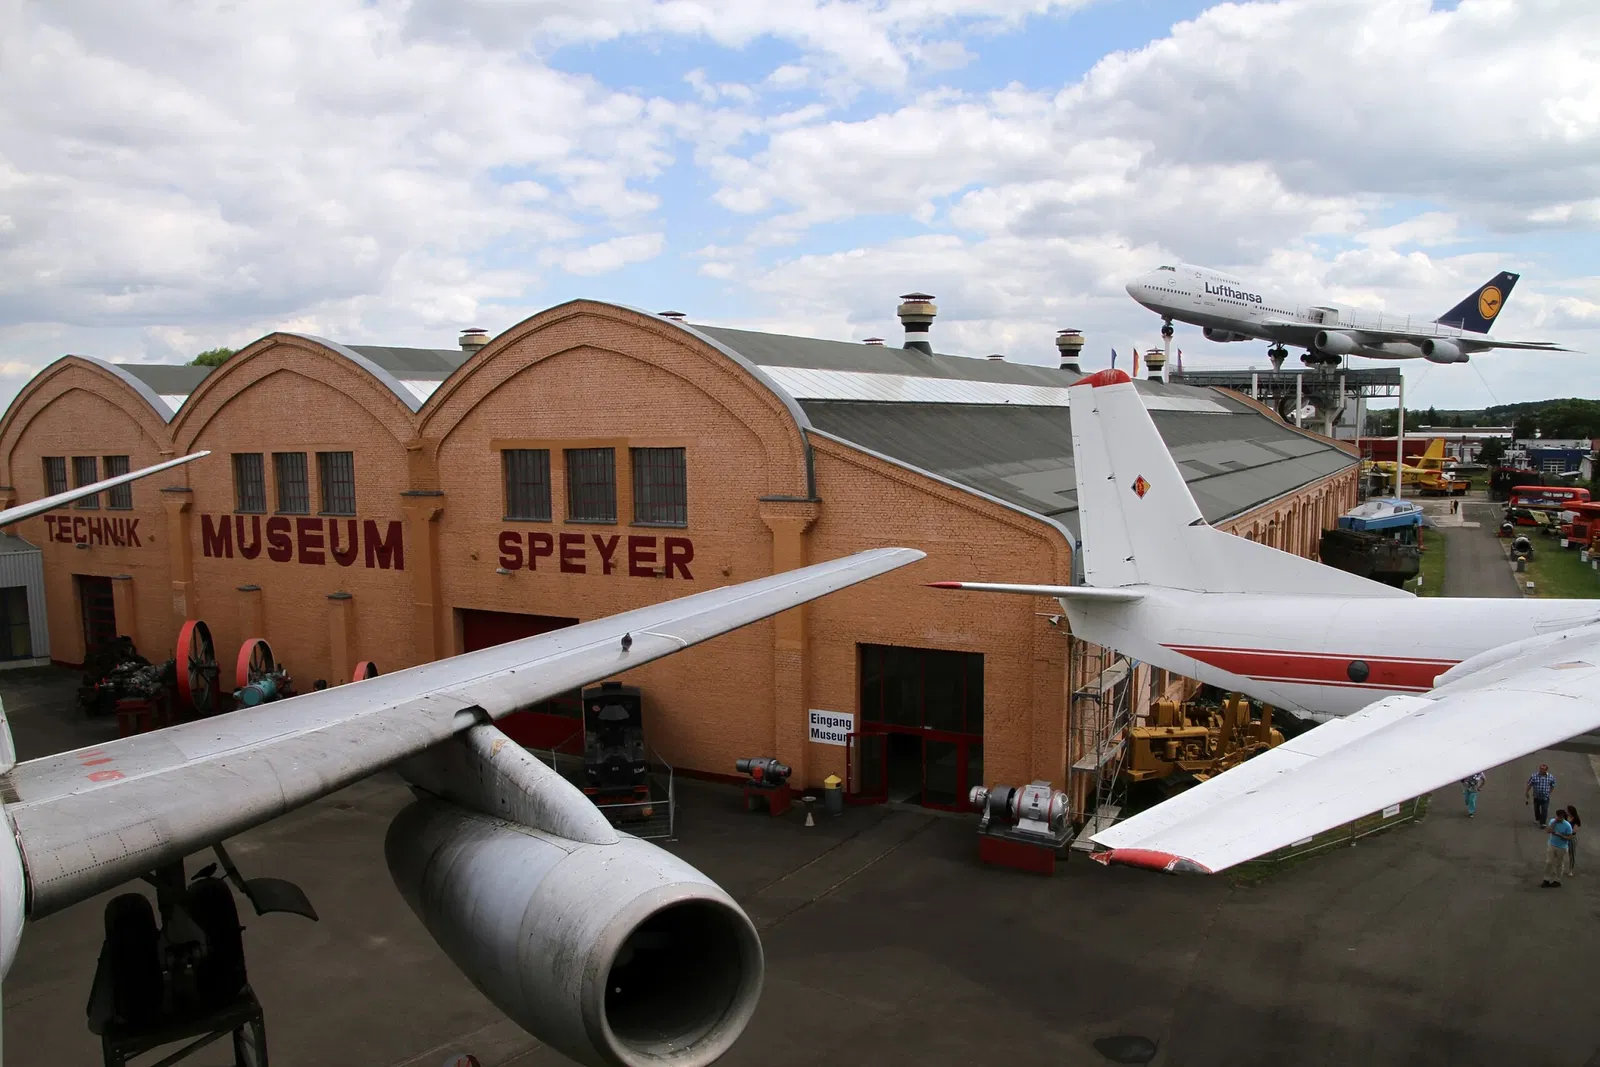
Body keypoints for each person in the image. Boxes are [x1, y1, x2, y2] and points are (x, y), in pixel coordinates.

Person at [1543, 808, 1573, 888]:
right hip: (1552, 844)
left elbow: (1570, 837)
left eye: (1560, 817)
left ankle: (1557, 880)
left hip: (1562, 847)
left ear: (1563, 816)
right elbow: (1547, 831)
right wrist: (1554, 822)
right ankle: (1546, 879)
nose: (1559, 818)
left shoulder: (1567, 825)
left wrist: (1560, 835)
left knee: (1559, 864)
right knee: (1549, 862)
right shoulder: (1553, 821)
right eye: (1558, 816)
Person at [1567, 805, 1582, 875]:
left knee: (1572, 854)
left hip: (1571, 838)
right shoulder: (1565, 817)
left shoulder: (1576, 819)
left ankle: (1570, 870)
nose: (1567, 812)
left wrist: (1564, 831)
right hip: (1563, 837)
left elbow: (1574, 831)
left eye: (1568, 811)